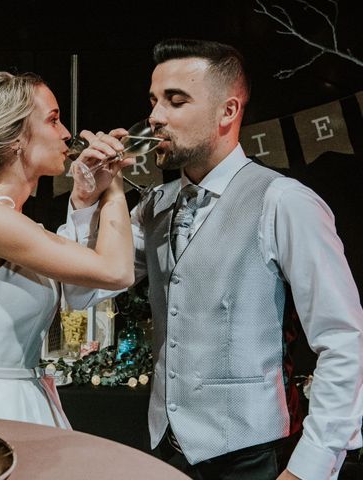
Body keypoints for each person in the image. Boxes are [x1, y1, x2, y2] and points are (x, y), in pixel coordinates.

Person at [60, 38, 363, 479]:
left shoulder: (283, 202)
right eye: (154, 100)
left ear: (228, 112)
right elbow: (81, 293)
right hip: (166, 449)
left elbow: (344, 339)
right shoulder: (154, 205)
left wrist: (311, 467)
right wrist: (88, 198)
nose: (156, 116)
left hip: (252, 456)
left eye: (176, 101)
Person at [0, 71, 135, 428]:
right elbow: (116, 270)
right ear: (16, 137)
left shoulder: (10, 222)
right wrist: (116, 185)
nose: (65, 133)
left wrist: (85, 198)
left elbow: (80, 292)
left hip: (21, 392)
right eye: (53, 119)